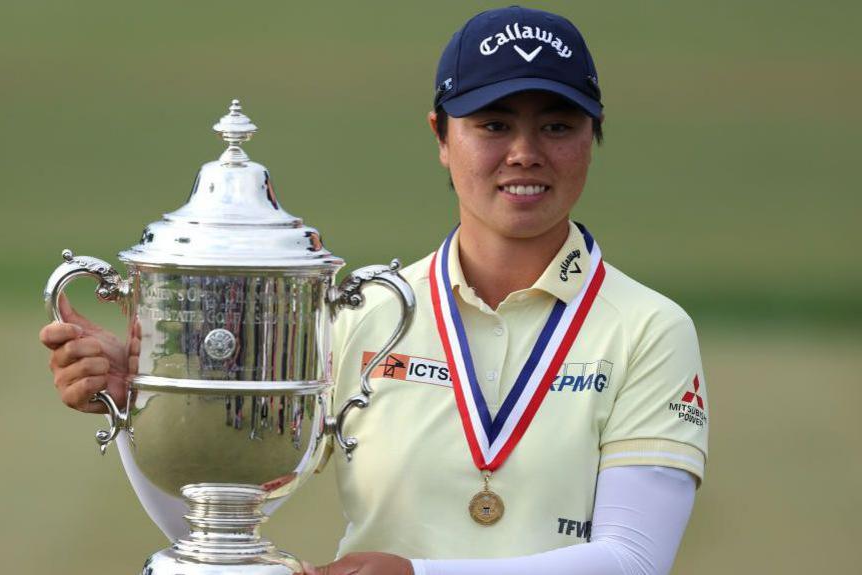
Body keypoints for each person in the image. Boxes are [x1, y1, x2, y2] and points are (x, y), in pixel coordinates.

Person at [40, 6, 709, 575]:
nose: (525, 152)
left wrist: (418, 574)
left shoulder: (648, 327)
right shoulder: (369, 310)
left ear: (594, 136)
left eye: (557, 125)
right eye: (494, 124)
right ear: (441, 138)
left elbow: (632, 558)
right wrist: (143, 406)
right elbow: (222, 524)